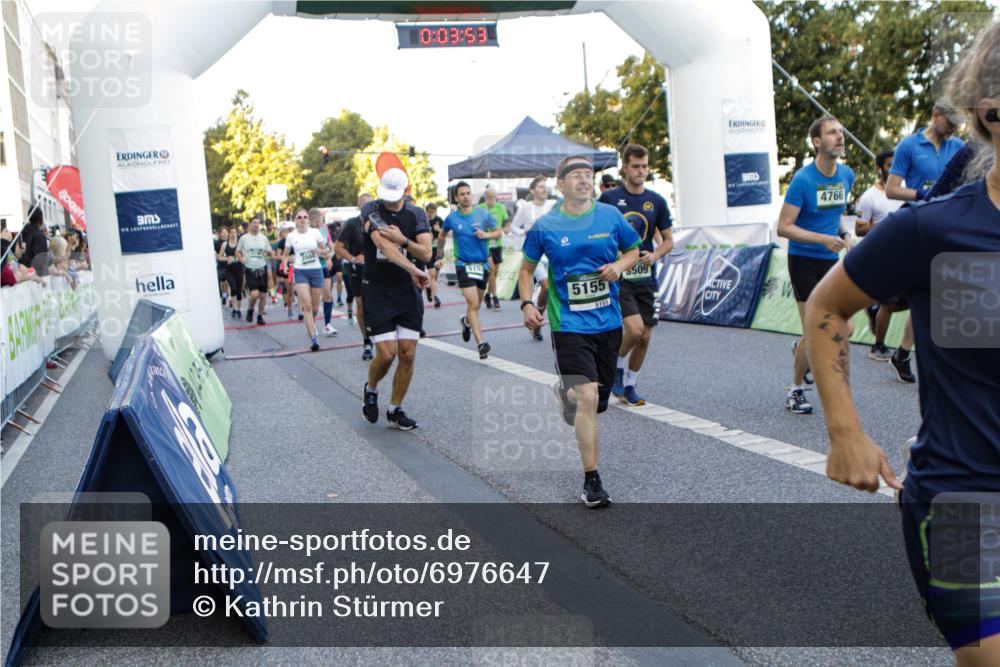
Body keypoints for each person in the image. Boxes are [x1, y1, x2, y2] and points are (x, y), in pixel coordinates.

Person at [806, 22, 1000, 664]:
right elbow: (828, 307)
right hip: (963, 501)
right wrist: (844, 431)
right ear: (989, 111)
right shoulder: (935, 229)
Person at [518, 155, 640, 508]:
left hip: (608, 322)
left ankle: (569, 395)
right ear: (561, 185)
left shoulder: (610, 216)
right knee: (587, 398)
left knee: (596, 401)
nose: (585, 181)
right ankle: (592, 480)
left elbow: (633, 250)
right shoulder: (547, 225)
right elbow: (526, 270)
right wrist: (528, 304)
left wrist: (619, 265)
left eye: (589, 175)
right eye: (576, 176)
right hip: (568, 324)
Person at [776, 114, 855, 415]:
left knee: (845, 325)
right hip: (804, 260)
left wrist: (844, 233)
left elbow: (833, 218)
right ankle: (796, 390)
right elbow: (784, 227)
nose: (840, 137)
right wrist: (822, 239)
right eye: (832, 133)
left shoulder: (846, 175)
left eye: (841, 132)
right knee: (814, 331)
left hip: (831, 260)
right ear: (817, 142)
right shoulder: (803, 180)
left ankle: (802, 351)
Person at [883, 99, 966, 384]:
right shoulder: (909, 145)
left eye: (958, 123)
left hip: (951, 227)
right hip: (921, 225)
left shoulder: (959, 147)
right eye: (951, 121)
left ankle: (904, 353)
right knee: (933, 295)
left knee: (934, 297)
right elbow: (892, 190)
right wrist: (924, 196)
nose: (955, 128)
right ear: (936, 115)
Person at [599, 143, 674, 406]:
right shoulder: (609, 200)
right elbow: (598, 231)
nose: (641, 171)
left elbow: (667, 240)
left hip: (646, 275)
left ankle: (630, 383)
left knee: (645, 336)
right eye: (635, 166)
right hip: (622, 276)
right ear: (625, 169)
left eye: (644, 166)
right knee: (634, 329)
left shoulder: (656, 201)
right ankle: (615, 366)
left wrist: (655, 255)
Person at [359, 168, 432, 430]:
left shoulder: (417, 214)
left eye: (395, 197)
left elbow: (425, 253)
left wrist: (405, 240)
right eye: (386, 196)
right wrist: (413, 269)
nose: (390, 202)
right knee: (387, 354)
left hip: (406, 291)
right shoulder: (371, 209)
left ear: (405, 191)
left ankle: (394, 409)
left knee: (408, 354)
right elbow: (384, 246)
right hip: (377, 289)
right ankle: (371, 387)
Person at [436, 181, 501, 359]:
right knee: (473, 304)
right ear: (456, 198)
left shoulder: (483, 214)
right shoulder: (452, 218)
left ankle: (465, 322)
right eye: (462, 194)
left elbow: (498, 231)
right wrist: (439, 256)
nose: (466, 196)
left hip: (483, 265)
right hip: (463, 264)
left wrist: (486, 235)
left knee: (477, 304)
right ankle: (481, 343)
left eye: (468, 193)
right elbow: (441, 236)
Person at [855, 149, 905, 362]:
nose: (893, 170)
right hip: (880, 256)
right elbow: (859, 230)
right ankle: (878, 346)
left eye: (896, 165)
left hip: (905, 253)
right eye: (888, 166)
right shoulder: (869, 197)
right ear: (879, 169)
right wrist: (885, 227)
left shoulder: (905, 191)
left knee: (912, 300)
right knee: (889, 303)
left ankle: (873, 309)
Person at [511, 175, 556, 341]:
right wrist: (524, 231)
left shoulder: (552, 205)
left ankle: (538, 313)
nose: (544, 189)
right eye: (541, 186)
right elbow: (514, 227)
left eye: (546, 186)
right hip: (534, 253)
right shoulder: (525, 207)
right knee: (545, 285)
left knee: (550, 288)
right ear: (532, 190)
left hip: (551, 252)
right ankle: (536, 312)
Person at [282, 208, 330, 351]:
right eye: (299, 217)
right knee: (307, 306)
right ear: (296, 220)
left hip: (316, 271)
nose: (302, 219)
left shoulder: (315, 233)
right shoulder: (291, 236)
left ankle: (312, 323)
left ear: (308, 219)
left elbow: (326, 251)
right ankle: (313, 339)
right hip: (300, 270)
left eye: (304, 217)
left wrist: (320, 252)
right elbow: (285, 255)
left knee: (315, 307)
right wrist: (284, 266)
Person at [336, 193, 375, 360]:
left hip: (377, 269)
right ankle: (367, 341)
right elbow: (338, 247)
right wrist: (353, 258)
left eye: (369, 204)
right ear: (359, 206)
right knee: (361, 305)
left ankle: (382, 336)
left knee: (378, 304)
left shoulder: (380, 222)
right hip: (357, 269)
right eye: (362, 205)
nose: (366, 208)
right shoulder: (351, 224)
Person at [477, 187, 510, 310]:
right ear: (485, 197)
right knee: (491, 269)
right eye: (488, 197)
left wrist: (506, 228)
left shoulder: (500, 207)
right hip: (485, 242)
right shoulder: (480, 208)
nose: (491, 200)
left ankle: (487, 294)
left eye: (493, 197)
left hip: (497, 242)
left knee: (495, 272)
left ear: (496, 197)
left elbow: (507, 221)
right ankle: (495, 296)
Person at [236, 216, 272, 325]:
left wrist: (268, 253)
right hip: (250, 269)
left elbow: (269, 251)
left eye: (258, 223)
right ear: (250, 225)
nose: (256, 225)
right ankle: (250, 308)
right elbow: (237, 251)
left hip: (262, 268)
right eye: (254, 223)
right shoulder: (244, 238)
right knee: (255, 294)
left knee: (263, 295)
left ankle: (260, 316)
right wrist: (241, 259)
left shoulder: (263, 238)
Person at [309, 208, 338, 336]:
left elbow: (331, 246)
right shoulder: (307, 232)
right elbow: (312, 250)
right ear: (313, 219)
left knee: (328, 296)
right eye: (319, 218)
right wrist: (326, 257)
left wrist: (329, 257)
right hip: (311, 267)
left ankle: (327, 325)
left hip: (323, 265)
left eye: (321, 218)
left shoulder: (324, 229)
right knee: (314, 302)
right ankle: (312, 324)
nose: (321, 221)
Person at [217, 227, 243, 318]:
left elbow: (245, 257)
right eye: (231, 232)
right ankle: (234, 309)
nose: (233, 234)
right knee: (233, 288)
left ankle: (239, 309)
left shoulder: (240, 244)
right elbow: (219, 257)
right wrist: (227, 258)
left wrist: (236, 259)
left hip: (239, 269)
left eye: (234, 232)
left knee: (239, 291)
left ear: (237, 233)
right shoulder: (225, 244)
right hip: (229, 270)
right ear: (229, 234)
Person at [424, 202, 444, 308]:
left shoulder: (439, 220)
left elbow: (446, 234)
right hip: (428, 250)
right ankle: (436, 298)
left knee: (435, 275)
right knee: (431, 273)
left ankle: (429, 287)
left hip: (438, 250)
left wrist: (439, 230)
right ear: (426, 211)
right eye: (429, 212)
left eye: (433, 212)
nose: (431, 214)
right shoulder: (423, 220)